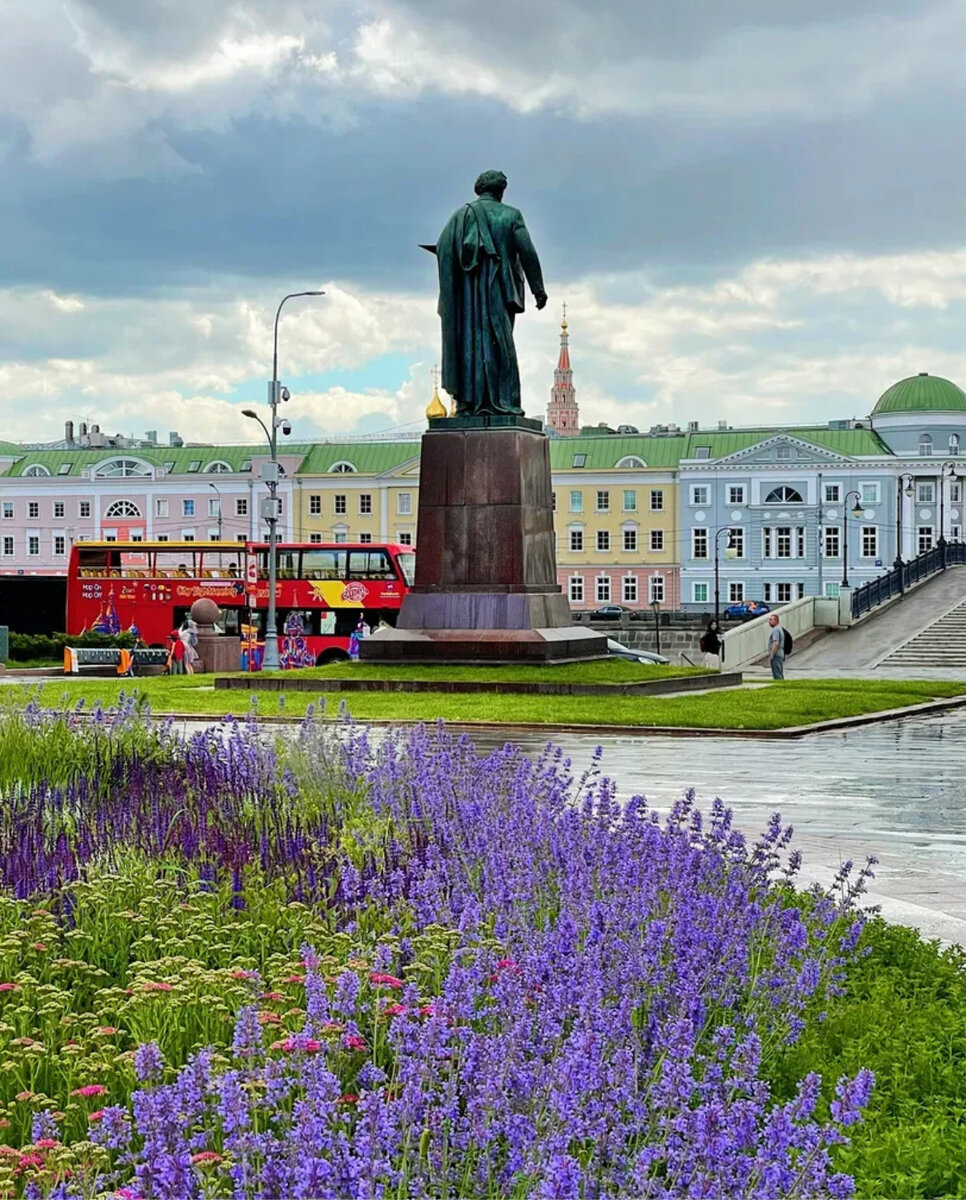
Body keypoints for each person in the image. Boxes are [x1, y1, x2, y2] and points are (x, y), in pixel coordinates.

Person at [432, 169, 547, 417]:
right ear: (501, 191)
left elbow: (443, 247)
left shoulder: (459, 216)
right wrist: (538, 289)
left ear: (479, 189)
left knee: (470, 344)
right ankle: (505, 402)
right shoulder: (511, 215)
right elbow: (527, 251)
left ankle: (468, 403)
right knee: (500, 343)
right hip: (500, 289)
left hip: (468, 298)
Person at [767, 613, 785, 680]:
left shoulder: (776, 630)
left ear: (776, 621)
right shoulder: (779, 629)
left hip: (776, 654)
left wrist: (772, 655)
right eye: (769, 620)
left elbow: (776, 643)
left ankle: (779, 688)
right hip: (780, 653)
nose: (769, 621)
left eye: (771, 620)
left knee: (777, 674)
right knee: (779, 672)